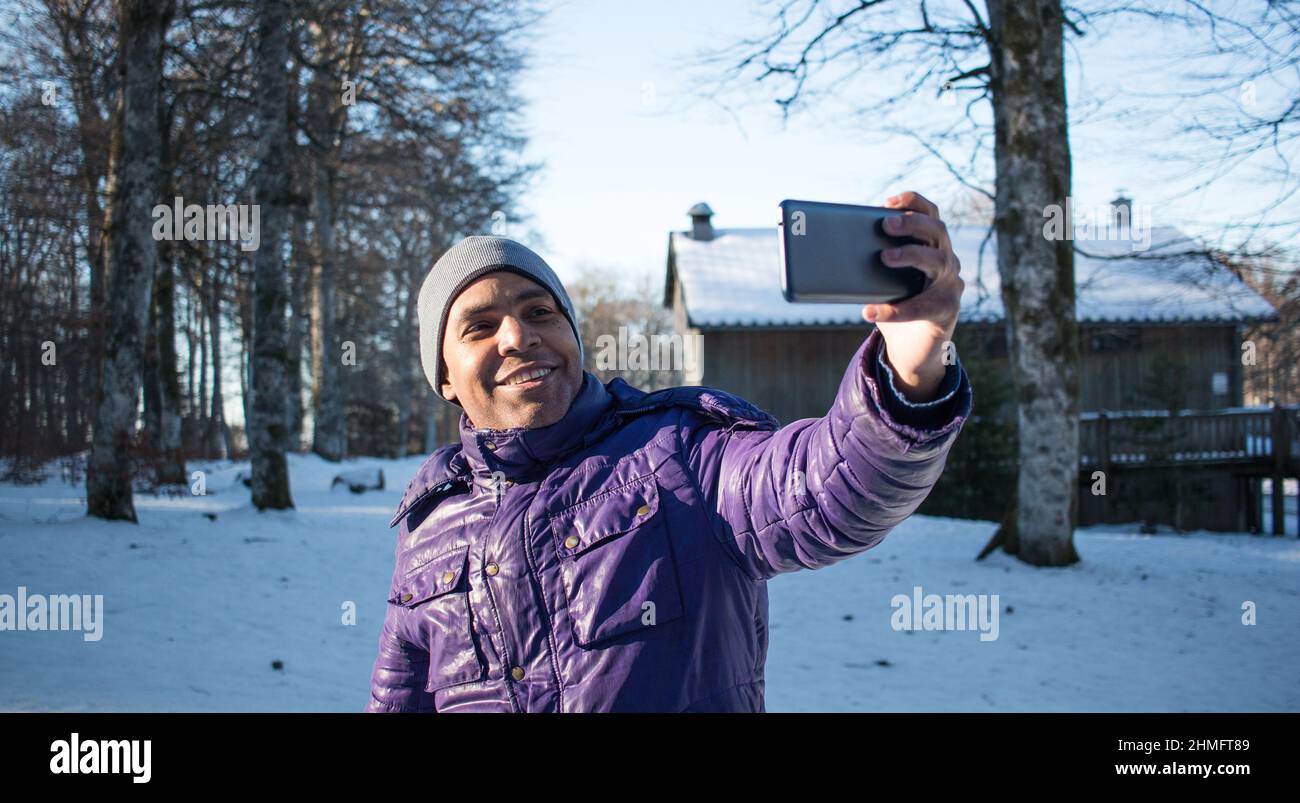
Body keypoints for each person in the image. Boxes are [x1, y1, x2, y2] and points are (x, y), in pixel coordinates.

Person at [365, 190, 971, 712]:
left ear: (571, 335)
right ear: (444, 377)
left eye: (539, 312)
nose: (519, 336)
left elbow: (826, 488)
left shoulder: (680, 454)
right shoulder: (429, 522)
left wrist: (910, 370)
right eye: (479, 326)